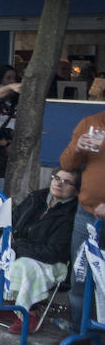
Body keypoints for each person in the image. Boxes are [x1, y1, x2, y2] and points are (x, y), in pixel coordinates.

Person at [0, 168, 78, 326]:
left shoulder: (72, 213)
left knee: (24, 267)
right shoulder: (36, 198)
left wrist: (15, 248)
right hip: (18, 250)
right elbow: (8, 223)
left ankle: (27, 313)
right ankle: (0, 303)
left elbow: (54, 252)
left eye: (67, 182)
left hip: (47, 260)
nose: (59, 184)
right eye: (56, 178)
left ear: (76, 189)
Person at [59, 109, 105, 328]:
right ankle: (81, 330)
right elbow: (67, 164)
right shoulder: (90, 123)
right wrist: (77, 149)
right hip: (87, 212)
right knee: (80, 275)